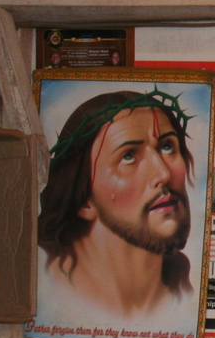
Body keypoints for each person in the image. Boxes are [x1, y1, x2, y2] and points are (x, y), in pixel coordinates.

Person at [37, 89, 196, 319]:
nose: (162, 174)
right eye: (128, 156)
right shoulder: (47, 288)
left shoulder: (183, 293)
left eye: (167, 146)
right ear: (84, 201)